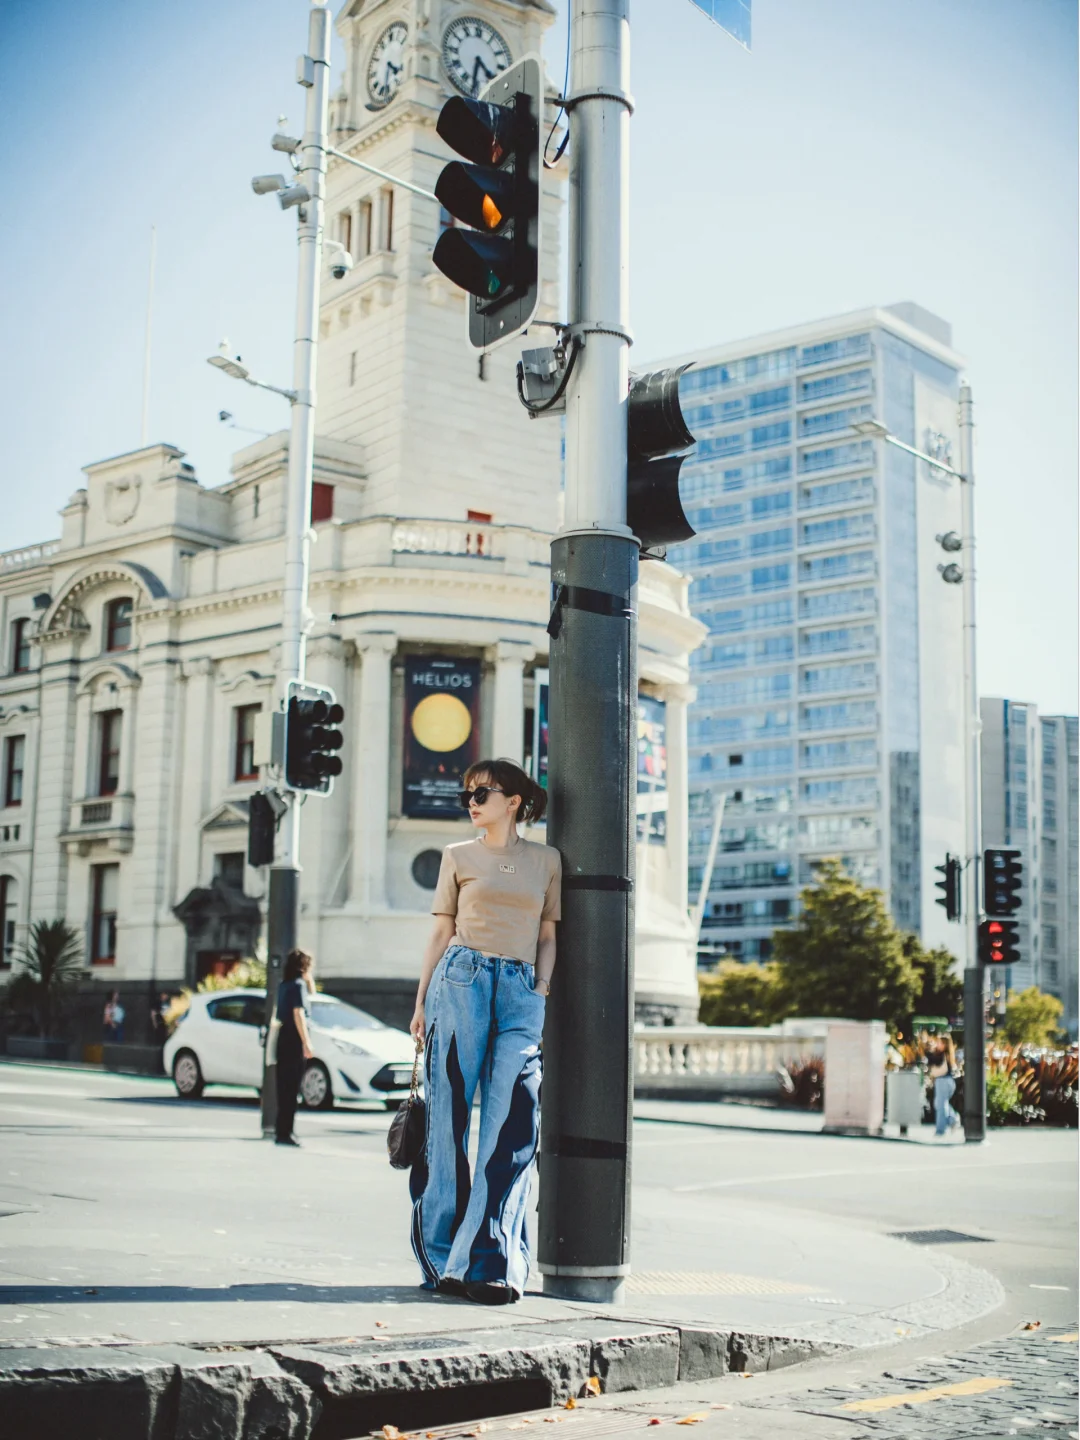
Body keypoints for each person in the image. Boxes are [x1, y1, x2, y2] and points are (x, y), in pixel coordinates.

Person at [408, 757, 559, 1306]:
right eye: (466, 795)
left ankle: (491, 1260)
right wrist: (420, 1003)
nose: (470, 803)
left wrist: (540, 989)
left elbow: (548, 933)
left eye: (482, 793)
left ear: (513, 801)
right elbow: (440, 933)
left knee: (514, 1119)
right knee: (447, 1122)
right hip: (461, 982)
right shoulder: (458, 856)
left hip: (521, 990)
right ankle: (443, 1256)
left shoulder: (546, 861)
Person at [275, 949, 315, 1147]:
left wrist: (307, 979)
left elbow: (312, 993)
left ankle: (281, 1130)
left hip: (283, 1038)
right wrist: (306, 1042)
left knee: (283, 1087)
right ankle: (287, 1132)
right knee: (292, 1087)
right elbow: (298, 1013)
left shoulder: (284, 984)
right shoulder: (298, 985)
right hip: (294, 1039)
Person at [927, 1035, 959, 1136]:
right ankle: (953, 1119)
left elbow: (932, 1060)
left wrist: (930, 1049)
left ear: (944, 1044)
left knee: (941, 1105)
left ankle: (941, 1130)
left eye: (939, 1042)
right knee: (939, 1104)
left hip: (943, 1081)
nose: (937, 1044)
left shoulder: (942, 1054)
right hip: (947, 1081)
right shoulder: (948, 1054)